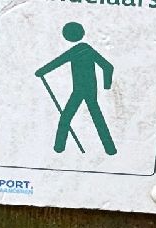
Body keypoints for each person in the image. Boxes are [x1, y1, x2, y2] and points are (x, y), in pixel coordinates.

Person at [35, 22, 117, 155]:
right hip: (86, 90)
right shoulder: (87, 50)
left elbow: (58, 61)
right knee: (96, 119)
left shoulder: (76, 51)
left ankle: (59, 147)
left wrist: (41, 71)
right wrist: (106, 86)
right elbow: (108, 67)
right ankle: (110, 149)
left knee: (66, 118)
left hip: (80, 91)